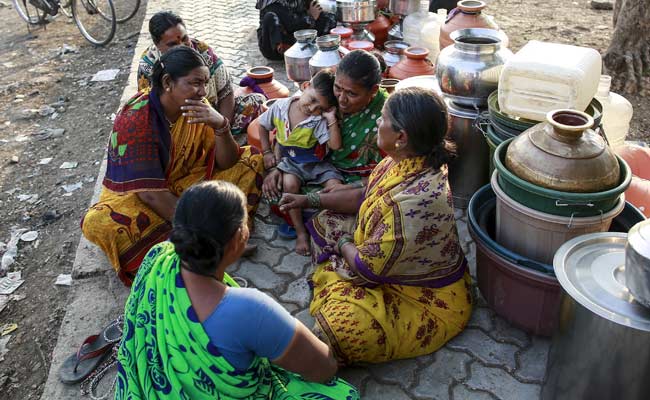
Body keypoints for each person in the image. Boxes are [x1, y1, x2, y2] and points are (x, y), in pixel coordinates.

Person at [114, 180, 359, 399]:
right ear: (238, 238)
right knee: (342, 394)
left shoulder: (157, 257)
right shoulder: (248, 310)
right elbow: (323, 368)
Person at [279, 87, 473, 364]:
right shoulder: (408, 161)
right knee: (324, 219)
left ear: (401, 137)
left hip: (424, 300)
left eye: (382, 119)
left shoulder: (411, 205)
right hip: (385, 255)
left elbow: (366, 269)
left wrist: (345, 243)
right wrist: (306, 199)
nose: (377, 124)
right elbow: (362, 196)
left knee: (340, 330)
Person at [82, 46, 264, 286]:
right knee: (101, 222)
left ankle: (204, 241)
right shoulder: (136, 118)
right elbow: (150, 194)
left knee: (251, 158)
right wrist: (203, 231)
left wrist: (221, 126)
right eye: (195, 83)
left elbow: (227, 162)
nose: (202, 91)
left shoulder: (198, 105)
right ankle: (213, 238)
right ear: (168, 82)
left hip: (187, 181)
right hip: (144, 195)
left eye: (205, 83)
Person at [137, 10, 264, 136]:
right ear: (157, 45)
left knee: (256, 102)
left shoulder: (203, 51)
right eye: (173, 44)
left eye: (185, 38)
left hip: (211, 115)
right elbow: (152, 110)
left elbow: (226, 91)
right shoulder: (149, 65)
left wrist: (222, 128)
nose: (183, 46)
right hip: (175, 126)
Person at [259, 69, 343, 256]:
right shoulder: (279, 107)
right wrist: (266, 152)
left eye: (320, 107)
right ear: (306, 86)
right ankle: (300, 232)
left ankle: (328, 227)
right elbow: (262, 126)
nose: (313, 109)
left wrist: (330, 119)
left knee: (335, 185)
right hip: (291, 163)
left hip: (316, 164)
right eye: (312, 100)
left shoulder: (319, 120)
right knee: (289, 184)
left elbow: (335, 146)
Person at [256, 0, 337, 60]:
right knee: (270, 17)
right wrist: (311, 17)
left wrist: (316, 12)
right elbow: (291, 25)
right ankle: (291, 51)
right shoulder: (271, 3)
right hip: (274, 45)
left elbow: (314, 8)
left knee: (326, 17)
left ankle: (317, 46)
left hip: (296, 35)